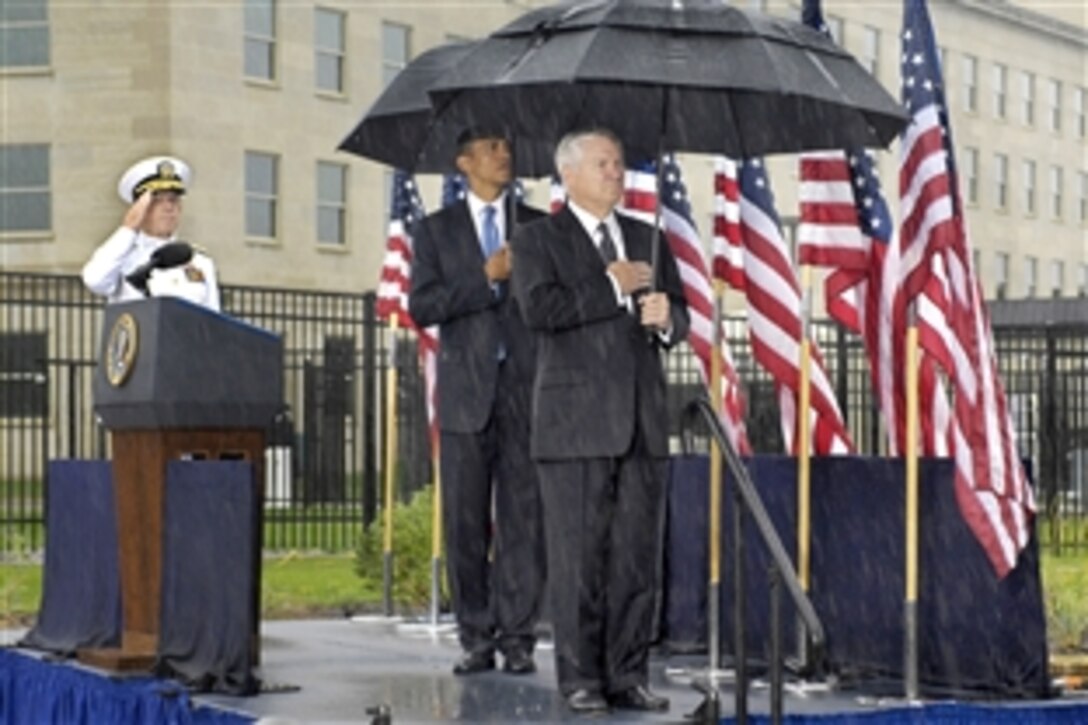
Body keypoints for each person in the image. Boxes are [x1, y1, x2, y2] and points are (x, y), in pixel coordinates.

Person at [510, 129, 689, 714]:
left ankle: (628, 673)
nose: (616, 172)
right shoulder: (538, 240)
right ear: (570, 174)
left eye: (619, 162)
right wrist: (611, 285)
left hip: (641, 421)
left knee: (635, 557)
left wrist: (668, 320)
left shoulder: (648, 237)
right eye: (605, 163)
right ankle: (580, 676)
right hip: (574, 425)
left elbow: (679, 314)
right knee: (579, 559)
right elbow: (542, 310)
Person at [408, 128, 547, 677]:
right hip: (466, 397)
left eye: (507, 146)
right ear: (464, 162)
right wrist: (485, 279)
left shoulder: (537, 227)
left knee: (523, 521)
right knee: (465, 522)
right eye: (491, 148)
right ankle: (476, 637)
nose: (504, 154)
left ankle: (518, 639)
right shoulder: (435, 231)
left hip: (525, 393)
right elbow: (423, 305)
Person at [82, 155, 220, 311]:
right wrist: (129, 227)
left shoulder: (199, 262)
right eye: (157, 200)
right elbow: (95, 281)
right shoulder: (121, 257)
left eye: (173, 200)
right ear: (140, 208)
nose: (168, 207)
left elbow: (212, 319)